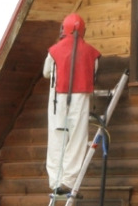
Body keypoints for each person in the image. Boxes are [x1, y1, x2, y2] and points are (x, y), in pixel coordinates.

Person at [42, 13, 101, 195]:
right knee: (77, 138)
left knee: (57, 137)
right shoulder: (92, 53)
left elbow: (46, 73)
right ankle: (69, 180)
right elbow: (94, 73)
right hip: (80, 99)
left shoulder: (54, 51)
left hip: (57, 99)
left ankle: (55, 180)